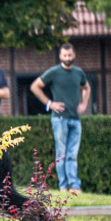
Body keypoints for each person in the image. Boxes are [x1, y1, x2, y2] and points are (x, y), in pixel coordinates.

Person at [30, 42, 91, 192]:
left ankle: (74, 186)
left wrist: (84, 104)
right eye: (65, 55)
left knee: (72, 155)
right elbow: (35, 86)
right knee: (61, 154)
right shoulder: (54, 72)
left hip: (75, 119)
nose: (67, 58)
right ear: (60, 56)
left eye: (70, 55)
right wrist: (49, 103)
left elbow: (86, 87)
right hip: (59, 119)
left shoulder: (79, 73)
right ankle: (63, 186)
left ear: (74, 55)